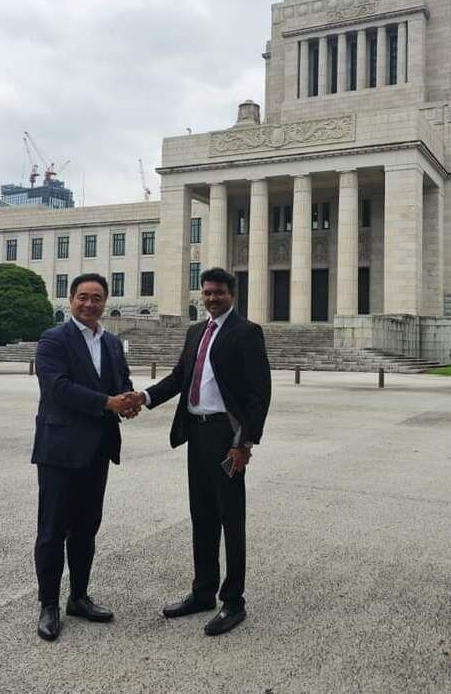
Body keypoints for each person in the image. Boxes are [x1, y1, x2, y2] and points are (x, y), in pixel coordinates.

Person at [123, 267, 271, 636]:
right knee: (202, 515)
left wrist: (244, 443)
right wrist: (144, 397)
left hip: (225, 435)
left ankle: (233, 600)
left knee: (230, 519)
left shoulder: (246, 332)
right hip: (197, 432)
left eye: (219, 292)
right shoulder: (195, 332)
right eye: (207, 292)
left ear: (232, 294)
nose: (212, 298)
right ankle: (203, 592)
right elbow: (179, 377)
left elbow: (259, 394)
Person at [31, 273, 140, 642]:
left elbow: (120, 380)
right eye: (83, 297)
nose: (89, 304)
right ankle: (49, 604)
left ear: (105, 302)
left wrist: (127, 400)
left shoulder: (111, 341)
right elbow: (57, 388)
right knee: (52, 530)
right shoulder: (53, 339)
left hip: (98, 450)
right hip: (60, 449)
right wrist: (108, 402)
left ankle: (78, 597)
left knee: (86, 528)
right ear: (71, 300)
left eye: (96, 298)